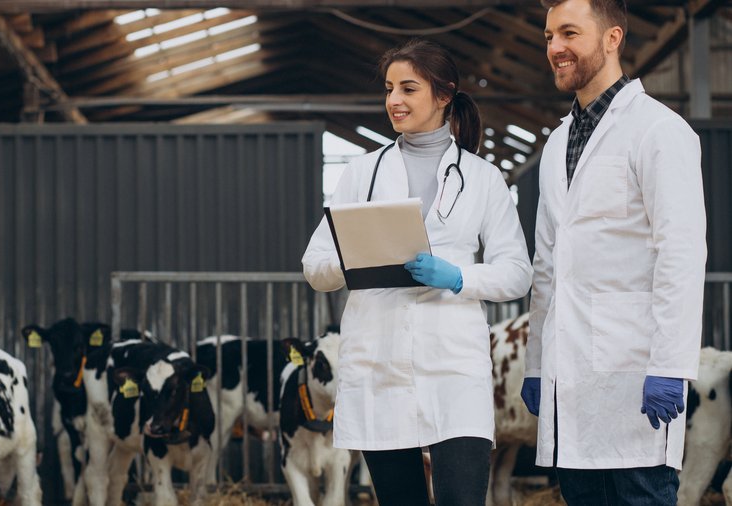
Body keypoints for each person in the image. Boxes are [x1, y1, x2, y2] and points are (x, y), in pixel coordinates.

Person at [302, 39, 532, 506]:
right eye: (389, 89)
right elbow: (314, 265)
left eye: (408, 88)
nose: (394, 100)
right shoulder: (361, 173)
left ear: (444, 95)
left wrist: (460, 277)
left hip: (453, 365)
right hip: (378, 365)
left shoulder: (483, 178)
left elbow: (516, 272)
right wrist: (351, 259)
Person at [520, 0, 707, 504]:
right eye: (549, 36)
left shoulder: (658, 130)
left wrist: (670, 364)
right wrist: (536, 363)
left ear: (612, 38)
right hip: (568, 385)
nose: (555, 47)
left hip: (636, 377)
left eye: (569, 33)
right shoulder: (556, 143)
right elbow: (546, 266)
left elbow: (681, 253)